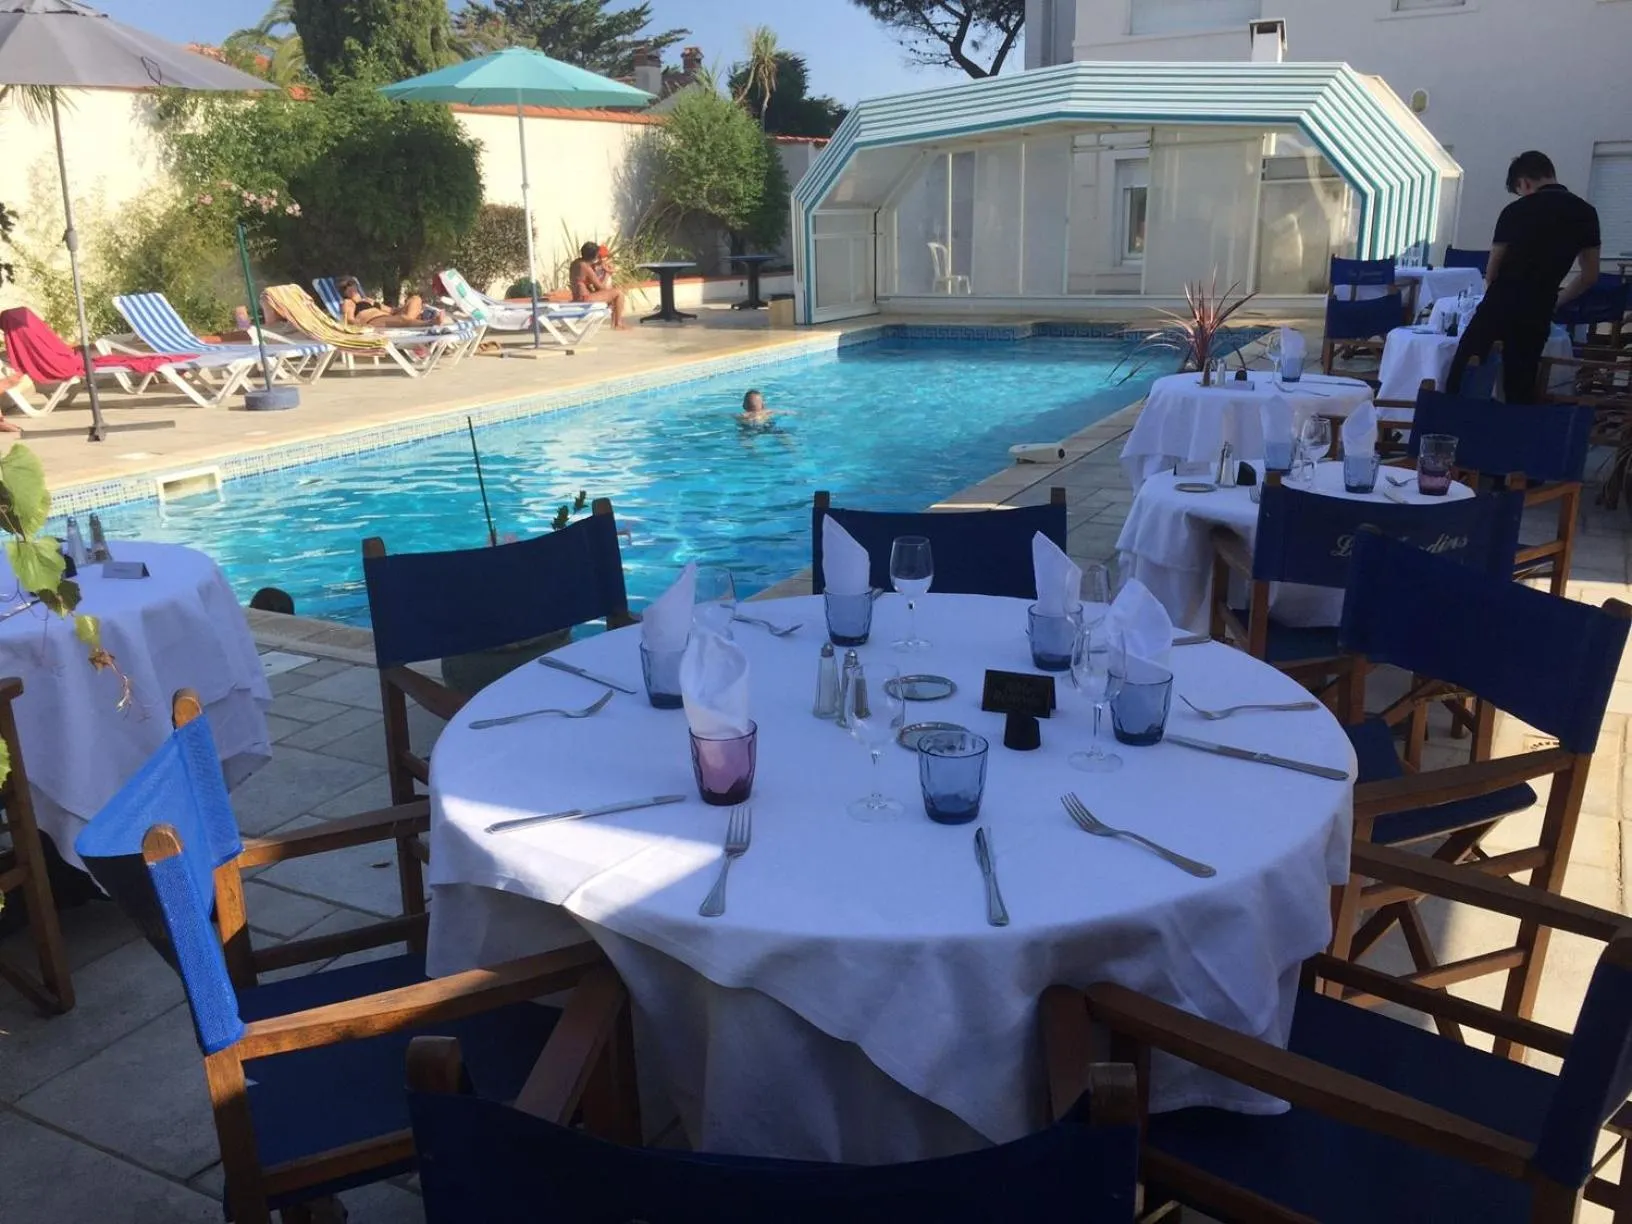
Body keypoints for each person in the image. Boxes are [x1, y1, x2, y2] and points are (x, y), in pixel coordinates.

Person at [1447, 150, 1601, 403]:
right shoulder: (1586, 213)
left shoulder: (1516, 211)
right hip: (1539, 307)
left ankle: (1455, 433)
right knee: (1520, 386)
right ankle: (1515, 438)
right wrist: (1556, 301)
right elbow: (1589, 275)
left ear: (1525, 183)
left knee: (1465, 375)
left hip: (1500, 303)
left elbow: (1493, 268)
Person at [337, 277, 449, 329]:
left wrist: (406, 306)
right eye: (344, 287)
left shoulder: (368, 300)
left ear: (356, 285)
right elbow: (350, 320)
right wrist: (362, 327)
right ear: (343, 292)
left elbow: (392, 311)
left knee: (416, 299)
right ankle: (430, 323)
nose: (349, 287)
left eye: (350, 283)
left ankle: (411, 321)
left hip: (388, 317)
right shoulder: (348, 302)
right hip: (373, 322)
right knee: (404, 319)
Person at [569, 242, 629, 330]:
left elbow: (583, 280)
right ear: (594, 256)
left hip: (577, 297)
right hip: (585, 298)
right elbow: (602, 287)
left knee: (612, 293)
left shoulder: (575, 263)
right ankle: (618, 324)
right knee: (619, 293)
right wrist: (608, 273)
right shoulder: (586, 267)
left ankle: (615, 323)